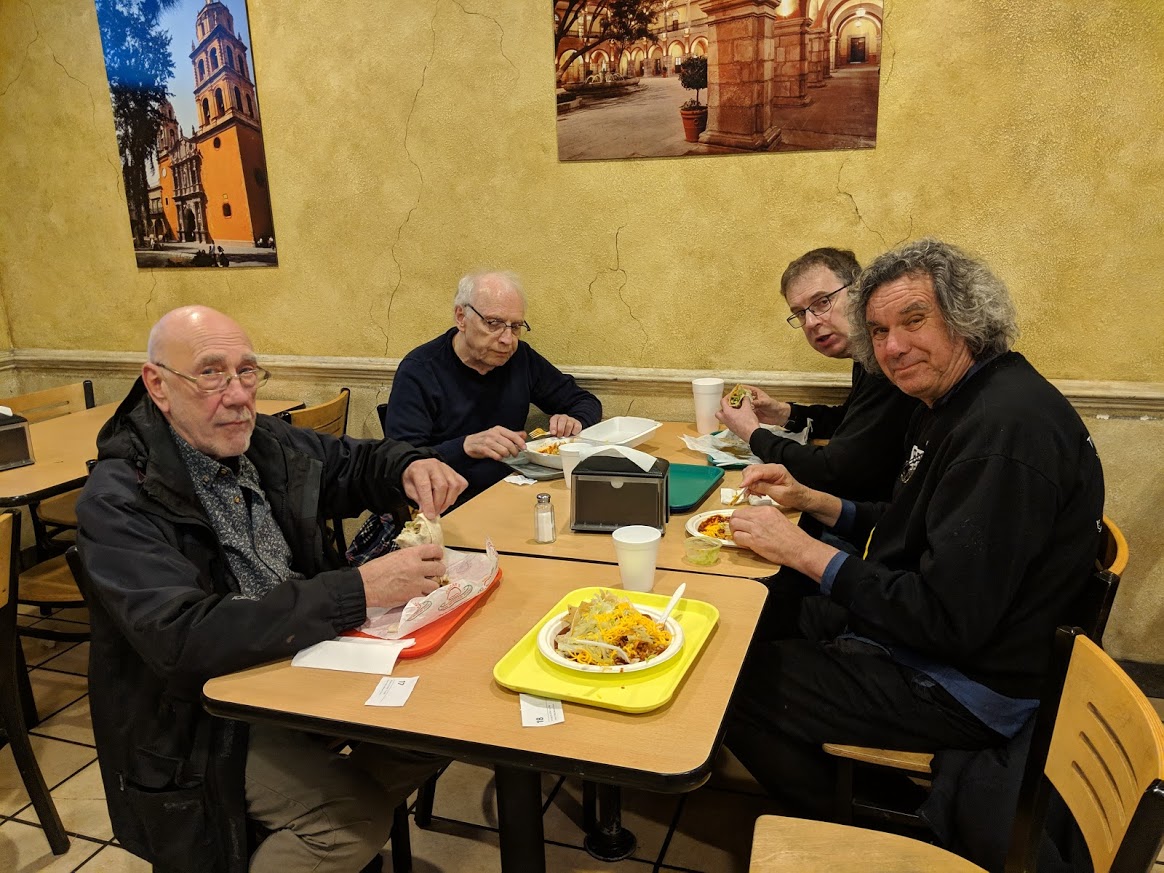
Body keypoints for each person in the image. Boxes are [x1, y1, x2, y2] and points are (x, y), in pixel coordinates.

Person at [75, 306, 468, 873]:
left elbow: (352, 462)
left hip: (301, 657)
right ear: (157, 385)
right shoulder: (118, 499)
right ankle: (321, 834)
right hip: (199, 719)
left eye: (248, 372)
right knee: (346, 827)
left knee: (440, 725)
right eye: (211, 373)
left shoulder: (259, 441)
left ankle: (299, 834)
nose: (237, 396)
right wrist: (357, 589)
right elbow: (185, 638)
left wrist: (406, 466)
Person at [723, 239, 1105, 819]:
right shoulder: (955, 400)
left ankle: (875, 831)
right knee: (761, 608)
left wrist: (805, 552)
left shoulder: (1002, 434)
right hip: (944, 633)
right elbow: (913, 522)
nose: (893, 347)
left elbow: (945, 619)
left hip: (972, 683)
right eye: (877, 331)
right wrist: (813, 501)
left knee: (725, 685)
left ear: (967, 318)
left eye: (914, 320)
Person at [383, 270, 602, 507]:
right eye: (494, 323)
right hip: (446, 505)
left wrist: (575, 420)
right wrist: (465, 446)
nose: (507, 339)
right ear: (461, 317)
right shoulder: (421, 370)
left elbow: (585, 401)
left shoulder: (520, 358)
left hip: (509, 492)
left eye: (515, 326)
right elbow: (401, 463)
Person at [716, 247, 918, 502]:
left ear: (859, 293)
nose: (810, 322)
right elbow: (854, 421)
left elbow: (833, 472)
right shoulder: (865, 354)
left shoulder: (893, 361)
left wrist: (753, 433)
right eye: (800, 313)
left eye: (822, 302)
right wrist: (784, 413)